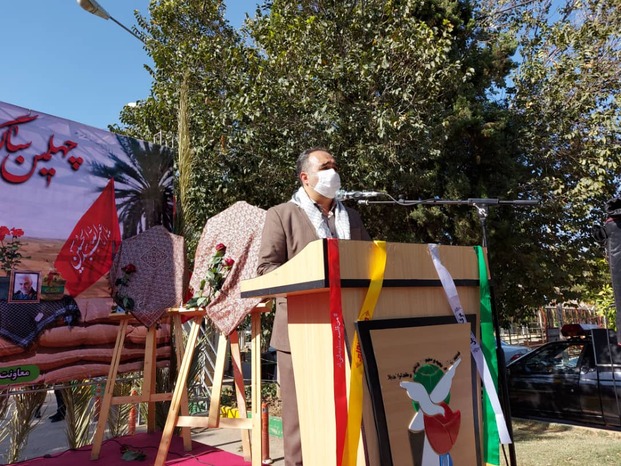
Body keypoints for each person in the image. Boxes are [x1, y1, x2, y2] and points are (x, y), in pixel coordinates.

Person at [256, 147, 371, 465]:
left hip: (349, 330)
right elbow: (266, 270)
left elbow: (369, 261)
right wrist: (311, 272)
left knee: (349, 414)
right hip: (299, 332)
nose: (333, 171)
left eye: (335, 165)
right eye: (325, 166)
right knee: (299, 423)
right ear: (305, 177)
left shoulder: (352, 217)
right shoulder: (282, 215)